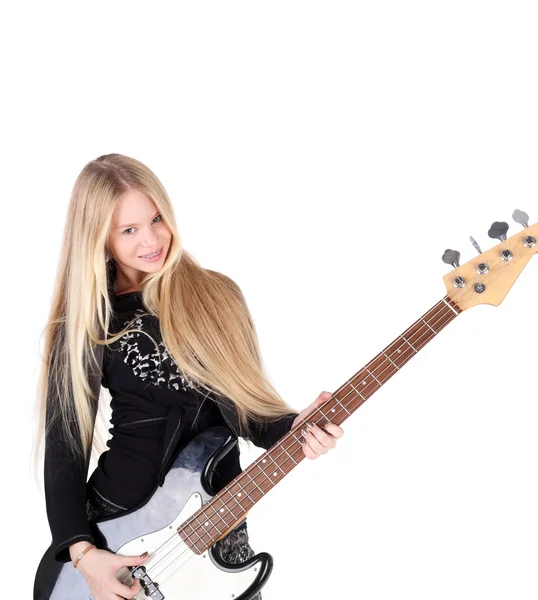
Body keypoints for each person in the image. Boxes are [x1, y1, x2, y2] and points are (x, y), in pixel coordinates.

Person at [32, 153, 344, 600]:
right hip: (119, 532)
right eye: (129, 230)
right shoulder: (85, 321)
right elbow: (64, 447)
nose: (152, 239)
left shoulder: (217, 295)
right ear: (99, 239)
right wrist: (82, 553)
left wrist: (296, 429)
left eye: (156, 218)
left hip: (220, 523)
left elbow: (246, 413)